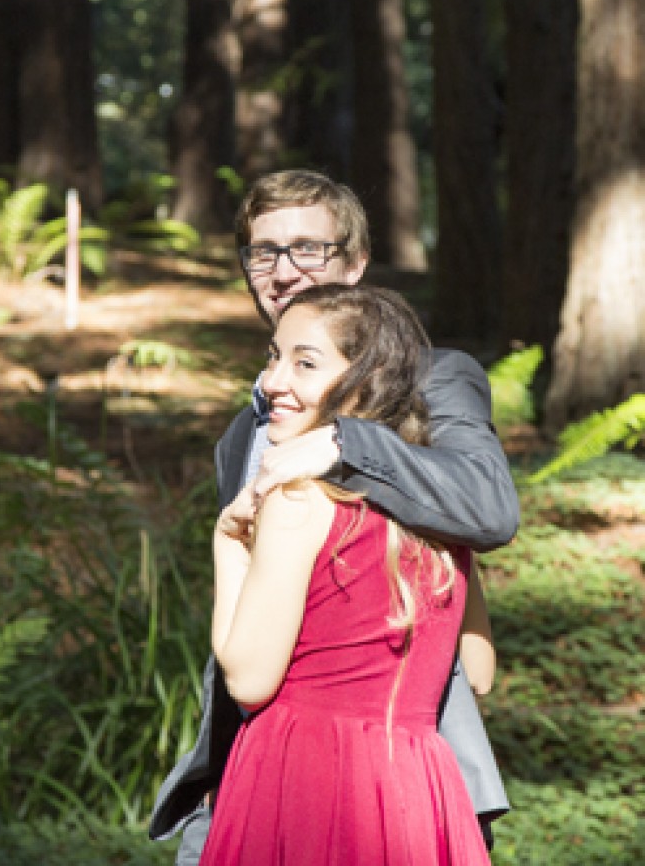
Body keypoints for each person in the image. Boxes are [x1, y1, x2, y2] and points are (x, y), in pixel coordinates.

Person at [148, 170, 519, 863]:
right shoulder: (248, 430)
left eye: (308, 250)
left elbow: (489, 506)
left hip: (396, 770)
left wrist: (344, 441)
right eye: (264, 252)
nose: (283, 271)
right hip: (250, 769)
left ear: (354, 265)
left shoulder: (435, 379)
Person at [200, 283, 493, 865]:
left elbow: (249, 680)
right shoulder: (440, 518)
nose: (273, 381)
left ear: (365, 382)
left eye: (304, 363)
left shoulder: (300, 502)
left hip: (306, 775)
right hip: (416, 778)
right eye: (274, 356)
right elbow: (479, 671)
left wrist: (228, 545)